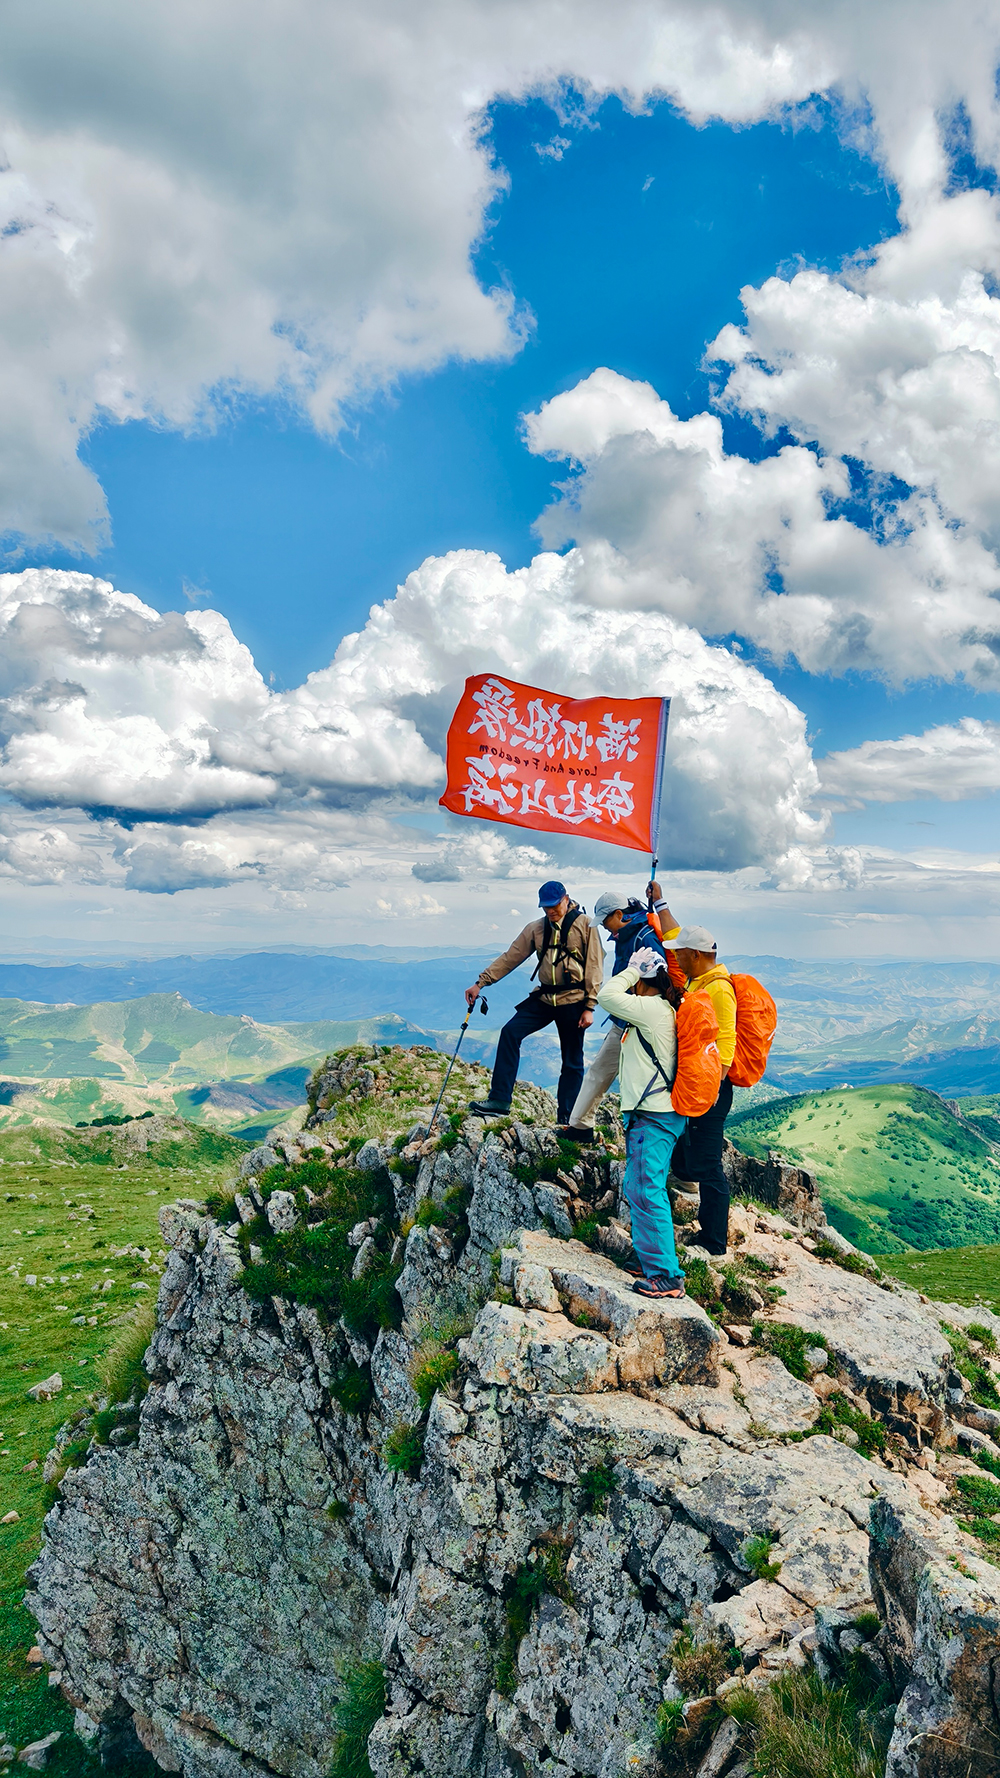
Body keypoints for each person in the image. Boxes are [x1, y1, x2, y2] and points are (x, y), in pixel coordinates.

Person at [464, 880, 604, 1124]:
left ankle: (567, 1119)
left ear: (566, 899)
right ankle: (499, 1100)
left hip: (573, 999)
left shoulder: (585, 925)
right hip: (545, 997)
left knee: (572, 1060)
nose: (550, 911)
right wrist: (480, 983)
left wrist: (590, 1006)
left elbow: (594, 964)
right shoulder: (536, 928)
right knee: (510, 1032)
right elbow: (511, 957)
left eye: (554, 906)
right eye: (545, 907)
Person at [597, 945, 687, 1298]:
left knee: (646, 1190)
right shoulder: (658, 1009)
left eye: (637, 978)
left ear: (641, 981)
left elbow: (606, 996)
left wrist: (632, 969)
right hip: (655, 1113)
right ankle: (647, 1258)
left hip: (654, 1115)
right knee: (640, 1186)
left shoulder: (652, 1009)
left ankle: (666, 1275)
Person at [653, 887, 737, 1257]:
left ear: (697, 955)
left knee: (708, 1166)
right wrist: (660, 902)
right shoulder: (699, 978)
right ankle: (686, 1190)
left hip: (711, 1089)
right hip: (697, 1085)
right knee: (687, 1155)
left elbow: (727, 1041)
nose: (676, 959)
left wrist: (712, 1090)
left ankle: (714, 1241)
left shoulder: (718, 989)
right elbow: (673, 933)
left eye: (681, 954)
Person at [557, 887, 670, 1141]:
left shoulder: (644, 937)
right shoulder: (628, 936)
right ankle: (579, 1126)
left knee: (623, 1076)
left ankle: (584, 1127)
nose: (605, 928)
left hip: (639, 1022)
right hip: (626, 1019)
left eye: (605, 921)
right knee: (600, 1071)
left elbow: (660, 979)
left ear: (619, 914)